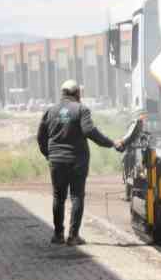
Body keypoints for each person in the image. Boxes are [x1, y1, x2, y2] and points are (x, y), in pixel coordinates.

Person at [37, 80, 125, 246]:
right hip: (77, 161)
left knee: (58, 197)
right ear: (77, 93)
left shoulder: (50, 111)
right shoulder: (81, 109)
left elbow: (40, 136)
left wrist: (49, 154)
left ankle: (58, 235)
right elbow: (89, 131)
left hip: (56, 161)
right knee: (77, 196)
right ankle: (73, 236)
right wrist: (112, 143)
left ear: (63, 93)